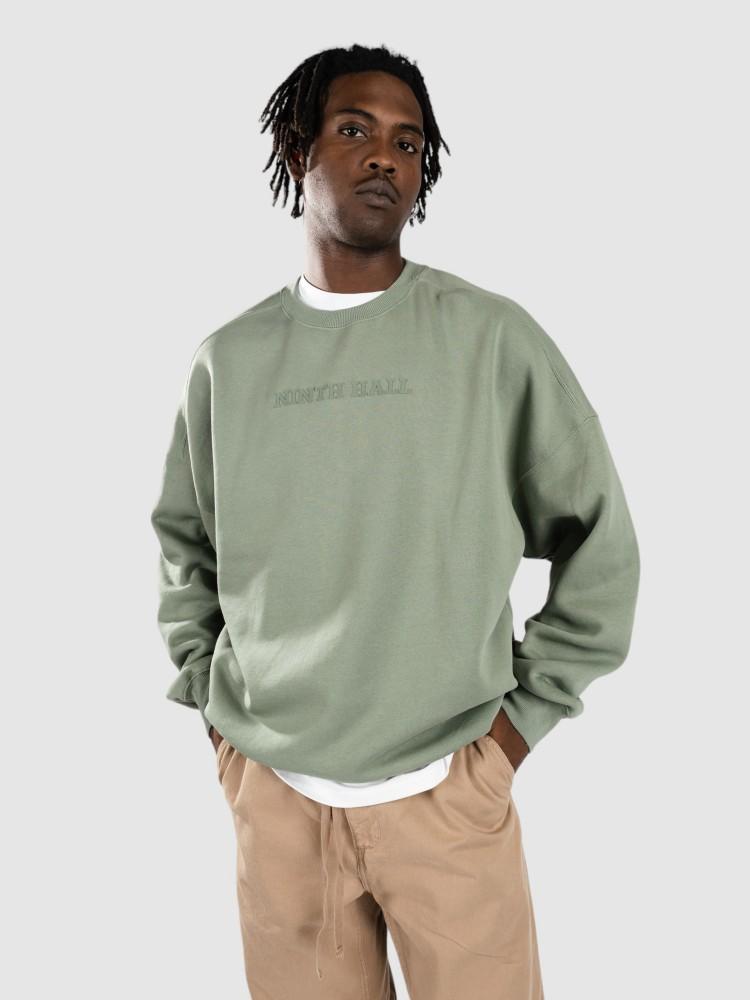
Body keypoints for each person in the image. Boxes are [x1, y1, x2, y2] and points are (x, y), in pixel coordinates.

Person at [150, 42, 640, 999]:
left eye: (408, 143)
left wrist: (515, 732)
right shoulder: (228, 363)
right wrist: (218, 716)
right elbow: (186, 549)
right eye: (355, 129)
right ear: (299, 150)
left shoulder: (490, 340)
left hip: (447, 796)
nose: (385, 156)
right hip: (277, 803)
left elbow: (601, 545)